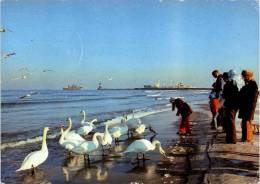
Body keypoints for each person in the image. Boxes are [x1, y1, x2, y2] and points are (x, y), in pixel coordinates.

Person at [238, 70, 259, 142]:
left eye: (244, 76)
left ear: (248, 76)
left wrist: (251, 107)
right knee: (245, 122)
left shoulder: (253, 84)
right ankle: (246, 137)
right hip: (246, 106)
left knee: (247, 122)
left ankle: (247, 138)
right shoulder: (248, 84)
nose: (243, 78)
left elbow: (254, 97)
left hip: (249, 107)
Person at [222, 72, 239, 144]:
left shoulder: (228, 85)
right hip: (234, 105)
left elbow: (227, 95)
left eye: (224, 78)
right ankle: (230, 138)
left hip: (231, 105)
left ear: (225, 78)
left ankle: (232, 139)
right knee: (230, 121)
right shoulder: (233, 83)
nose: (223, 79)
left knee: (230, 122)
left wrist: (223, 95)